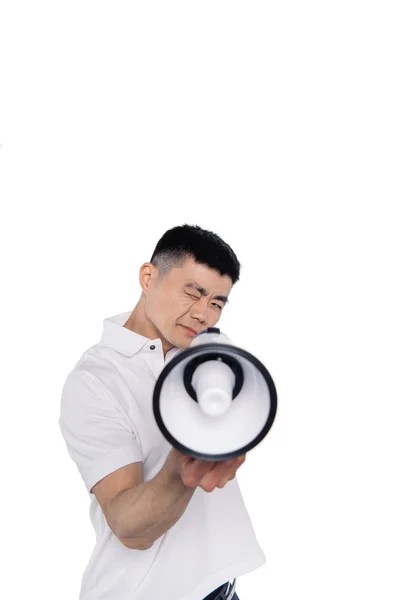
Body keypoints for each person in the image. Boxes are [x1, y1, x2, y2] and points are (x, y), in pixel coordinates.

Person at [59, 224, 266, 600]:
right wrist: (178, 471)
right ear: (148, 278)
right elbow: (126, 525)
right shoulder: (96, 380)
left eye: (217, 302)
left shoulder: (205, 363)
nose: (204, 314)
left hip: (221, 589)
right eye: (193, 292)